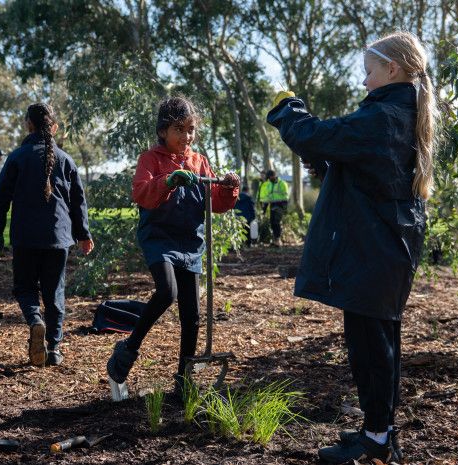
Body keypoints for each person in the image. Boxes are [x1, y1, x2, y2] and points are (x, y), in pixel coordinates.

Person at [267, 31, 437, 464]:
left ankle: (377, 440)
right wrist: (327, 164)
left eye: (368, 71)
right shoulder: (398, 113)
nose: (364, 82)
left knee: (371, 348)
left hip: (375, 251)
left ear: (392, 70)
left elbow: (314, 134)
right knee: (378, 344)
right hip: (384, 247)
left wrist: (288, 109)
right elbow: (367, 180)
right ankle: (377, 431)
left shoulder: (383, 117)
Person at [105, 96, 240, 392]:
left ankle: (184, 379)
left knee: (191, 316)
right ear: (163, 130)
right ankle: (128, 348)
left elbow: (215, 203)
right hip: (159, 239)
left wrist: (229, 188)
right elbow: (142, 194)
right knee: (167, 292)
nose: (186, 136)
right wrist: (168, 181)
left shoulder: (199, 162)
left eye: (190, 129)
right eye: (179, 129)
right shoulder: (150, 159)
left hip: (190, 243)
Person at [0, 103, 94, 368]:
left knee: (24, 287)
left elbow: (0, 199)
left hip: (25, 236)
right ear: (54, 127)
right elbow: (77, 201)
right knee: (54, 291)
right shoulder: (66, 159)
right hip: (58, 237)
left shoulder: (16, 158)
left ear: (29, 125)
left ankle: (35, 320)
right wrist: (83, 234)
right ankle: (55, 348)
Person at [258, 169, 289, 245]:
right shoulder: (269, 184)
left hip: (280, 205)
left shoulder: (282, 183)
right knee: (272, 223)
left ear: (273, 176)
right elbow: (267, 197)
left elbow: (286, 197)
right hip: (272, 205)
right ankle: (275, 240)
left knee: (276, 222)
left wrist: (284, 209)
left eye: (270, 177)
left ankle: (278, 240)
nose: (269, 179)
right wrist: (264, 209)